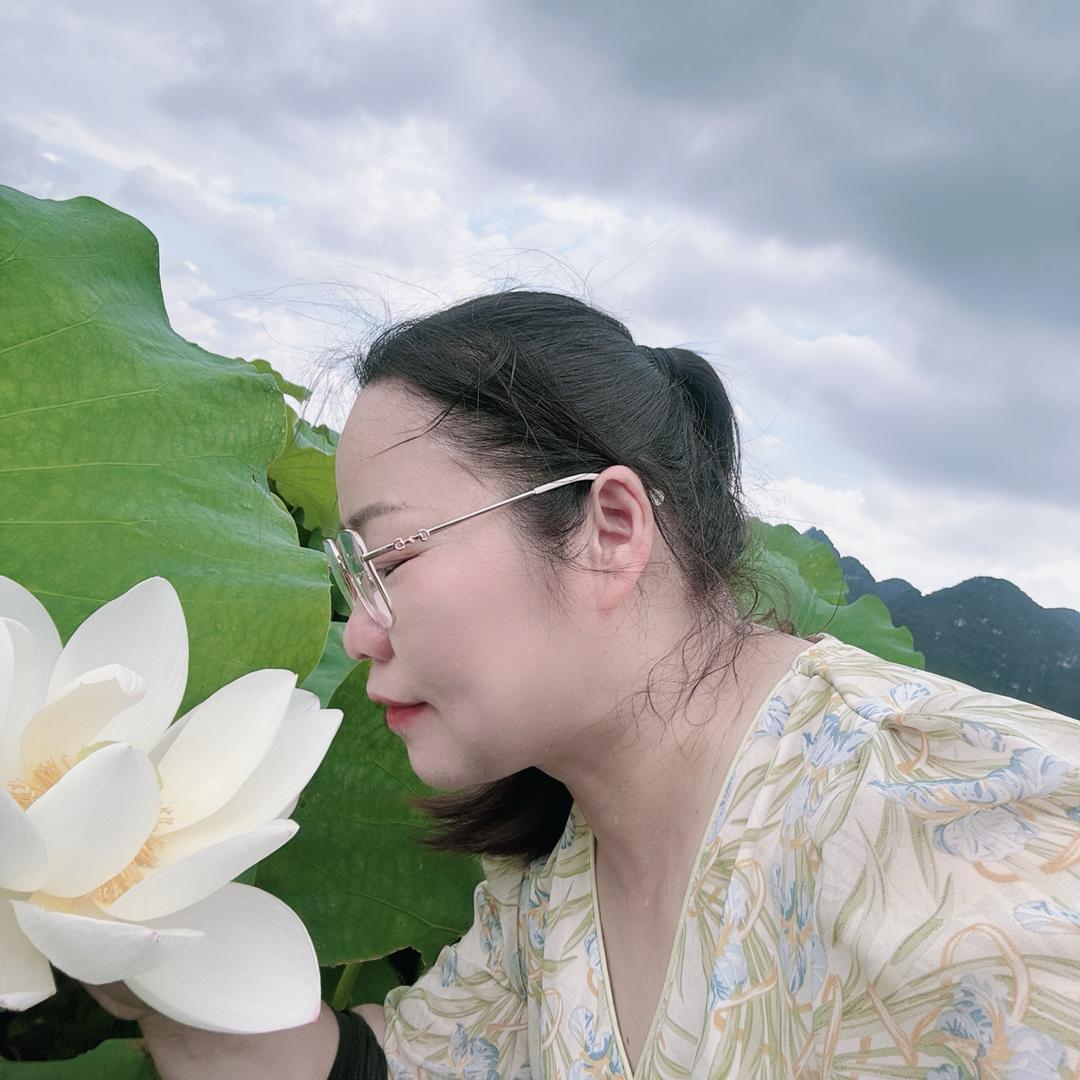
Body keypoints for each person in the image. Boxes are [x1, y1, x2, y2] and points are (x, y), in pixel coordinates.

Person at [86, 290, 1080, 1078]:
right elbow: (379, 1069)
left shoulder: (981, 836)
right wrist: (130, 918)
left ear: (611, 530)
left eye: (387, 559)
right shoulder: (547, 882)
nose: (359, 628)